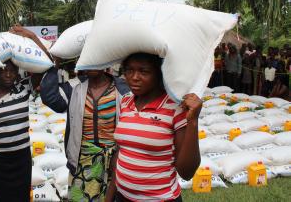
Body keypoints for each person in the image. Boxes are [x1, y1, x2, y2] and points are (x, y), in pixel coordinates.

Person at [105, 53, 202, 201]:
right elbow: (123, 151)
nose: (134, 77)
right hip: (122, 196)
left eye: (144, 71)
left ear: (159, 73)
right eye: (129, 70)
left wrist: (193, 122)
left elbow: (186, 172)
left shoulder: (175, 107)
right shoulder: (125, 101)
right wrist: (110, 195)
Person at [40, 57, 130, 201]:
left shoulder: (122, 89)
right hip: (82, 161)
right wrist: (54, 66)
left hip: (113, 162)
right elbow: (50, 97)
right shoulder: (75, 87)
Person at [0, 25, 49, 202]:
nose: (8, 74)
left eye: (12, 70)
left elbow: (47, 64)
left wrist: (32, 36)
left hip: (21, 158)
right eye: (4, 70)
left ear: (18, 72)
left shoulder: (23, 89)